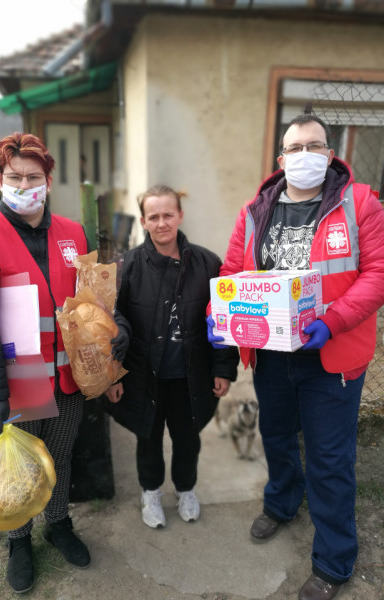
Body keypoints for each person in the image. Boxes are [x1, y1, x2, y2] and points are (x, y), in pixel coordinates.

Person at [207, 114, 384, 600]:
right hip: (271, 353)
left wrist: (333, 320)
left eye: (315, 146)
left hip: (332, 356)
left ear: (330, 154)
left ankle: (333, 562)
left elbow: (377, 272)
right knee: (277, 436)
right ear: (281, 159)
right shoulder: (255, 211)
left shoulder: (359, 204)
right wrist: (218, 314)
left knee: (329, 459)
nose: (305, 155)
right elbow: (232, 272)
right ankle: (282, 502)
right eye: (295, 148)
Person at [0, 132, 92, 594]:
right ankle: (18, 540)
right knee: (18, 469)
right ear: (0, 181)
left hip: (66, 378)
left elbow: (91, 299)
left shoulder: (73, 233)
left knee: (60, 455)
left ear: (48, 181)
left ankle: (58, 522)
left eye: (34, 177)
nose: (25, 185)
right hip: (16, 384)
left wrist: (115, 329)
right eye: (15, 177)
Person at [106, 185, 239, 528]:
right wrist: (113, 376)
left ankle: (185, 489)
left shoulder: (208, 263)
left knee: (188, 438)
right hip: (144, 375)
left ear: (180, 215)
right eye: (154, 217)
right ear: (143, 221)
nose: (161, 223)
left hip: (190, 375)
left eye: (168, 214)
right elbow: (111, 323)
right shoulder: (126, 266)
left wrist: (223, 368)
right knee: (148, 438)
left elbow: (224, 318)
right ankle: (150, 492)